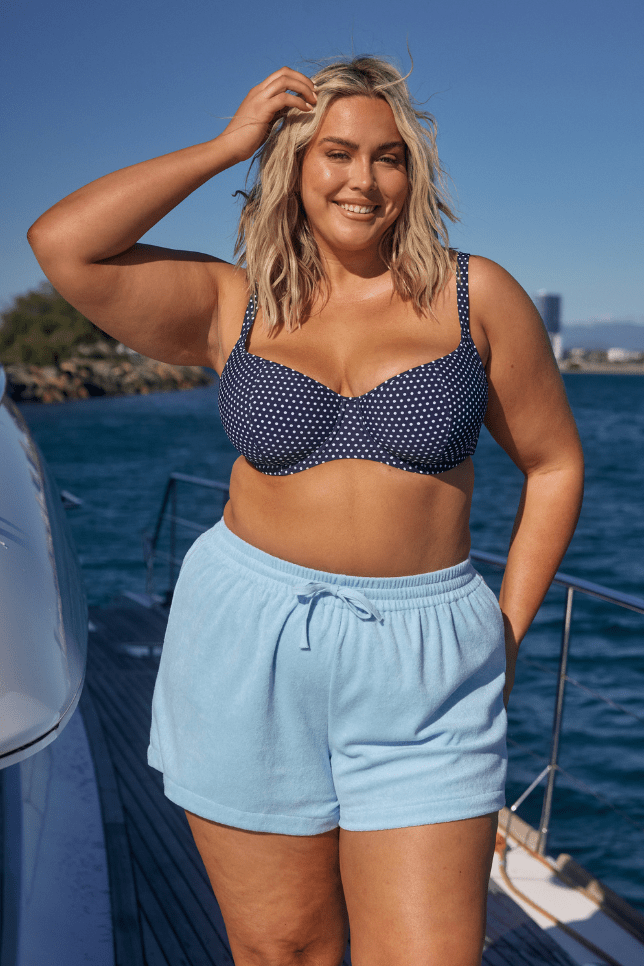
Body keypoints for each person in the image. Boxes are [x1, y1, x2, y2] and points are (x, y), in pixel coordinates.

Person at [28, 56, 584, 966]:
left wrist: (506, 632)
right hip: (247, 644)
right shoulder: (232, 302)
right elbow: (64, 244)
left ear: (415, 174)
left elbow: (554, 464)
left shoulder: (472, 294)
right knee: (285, 952)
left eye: (389, 157)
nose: (364, 180)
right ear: (292, 164)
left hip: (426, 664)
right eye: (336, 152)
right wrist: (225, 145)